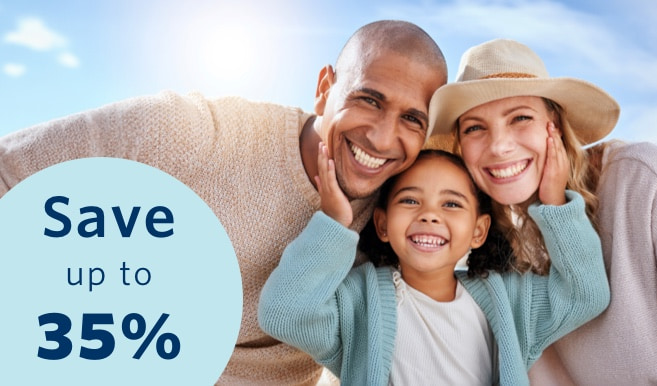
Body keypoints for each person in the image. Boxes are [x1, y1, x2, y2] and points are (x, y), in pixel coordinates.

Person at [0, 20, 448, 385]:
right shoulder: (192, 133)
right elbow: (10, 169)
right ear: (325, 87)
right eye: (368, 99)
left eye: (412, 118)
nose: (383, 136)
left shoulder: (402, 211)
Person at [427, 38, 657, 384]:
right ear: (461, 146)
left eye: (520, 117)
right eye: (474, 127)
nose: (499, 146)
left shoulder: (641, 180)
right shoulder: (483, 245)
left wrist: (555, 206)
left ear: (556, 126)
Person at [258, 146, 610, 385]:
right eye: (410, 200)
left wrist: (555, 202)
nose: (429, 215)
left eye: (452, 205)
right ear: (382, 224)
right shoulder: (357, 302)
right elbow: (284, 313)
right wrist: (334, 222)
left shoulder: (509, 301)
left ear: (478, 231)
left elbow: (586, 294)